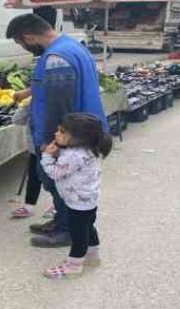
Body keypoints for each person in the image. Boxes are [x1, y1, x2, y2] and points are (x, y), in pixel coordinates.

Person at [7, 13, 108, 248]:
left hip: (70, 135)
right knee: (61, 183)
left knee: (62, 183)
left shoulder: (56, 58)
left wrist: (50, 141)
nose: (24, 48)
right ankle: (61, 221)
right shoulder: (71, 46)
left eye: (21, 43)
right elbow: (54, 87)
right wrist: (30, 91)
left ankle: (67, 230)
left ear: (29, 37)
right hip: (82, 128)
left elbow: (59, 104)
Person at [41, 113, 112, 279]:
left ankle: (74, 265)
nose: (56, 134)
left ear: (77, 138)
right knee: (88, 227)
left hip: (77, 202)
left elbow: (56, 173)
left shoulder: (73, 155)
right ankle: (93, 256)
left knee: (77, 234)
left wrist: (47, 156)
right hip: (88, 200)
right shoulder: (88, 149)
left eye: (62, 132)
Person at [10, 97, 54, 219]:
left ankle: (57, 206)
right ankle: (29, 206)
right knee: (33, 176)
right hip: (35, 149)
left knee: (54, 179)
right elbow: (17, 120)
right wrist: (26, 106)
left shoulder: (58, 103)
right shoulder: (32, 104)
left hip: (53, 150)